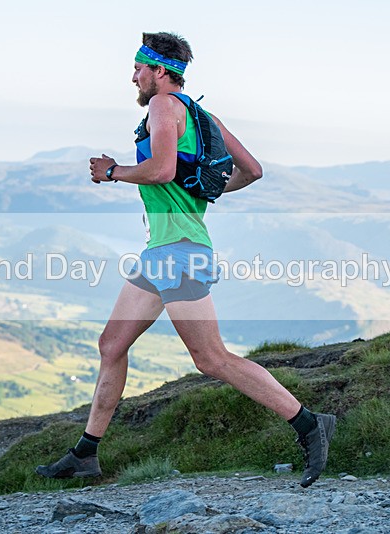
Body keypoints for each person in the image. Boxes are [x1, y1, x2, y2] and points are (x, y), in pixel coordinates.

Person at [36, 32, 336, 488]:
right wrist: (208, 188)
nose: (133, 75)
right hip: (162, 251)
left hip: (179, 253)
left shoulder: (161, 105)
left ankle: (310, 424)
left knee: (211, 359)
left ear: (159, 71)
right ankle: (85, 454)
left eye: (139, 67)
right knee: (111, 346)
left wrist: (112, 172)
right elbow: (252, 170)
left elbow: (161, 170)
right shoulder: (202, 114)